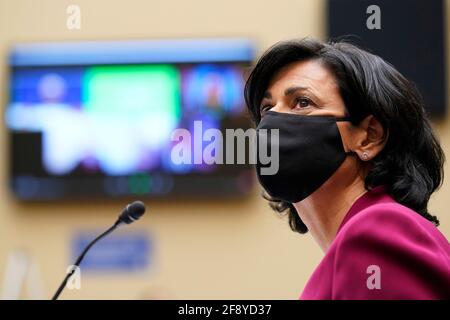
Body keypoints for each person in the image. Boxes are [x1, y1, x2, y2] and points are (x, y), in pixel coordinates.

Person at [244, 38, 450, 299]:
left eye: (302, 102)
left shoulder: (376, 231)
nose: (272, 121)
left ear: (369, 137)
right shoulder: (355, 244)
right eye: (266, 108)